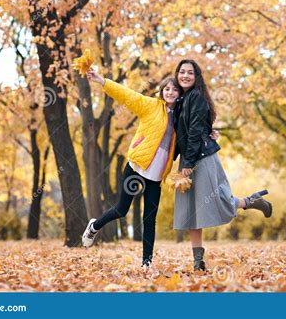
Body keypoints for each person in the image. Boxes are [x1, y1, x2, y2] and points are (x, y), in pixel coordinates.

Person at [82, 68, 218, 267]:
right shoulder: (150, 106)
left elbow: (194, 132)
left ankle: (146, 262)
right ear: (161, 91)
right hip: (137, 167)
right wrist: (102, 81)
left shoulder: (181, 116)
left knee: (149, 219)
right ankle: (94, 226)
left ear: (179, 94)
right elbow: (127, 95)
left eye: (174, 90)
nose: (170, 92)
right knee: (121, 209)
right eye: (167, 89)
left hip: (156, 175)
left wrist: (210, 133)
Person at [173, 59, 273, 271]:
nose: (185, 76)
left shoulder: (196, 97)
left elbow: (193, 133)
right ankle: (197, 261)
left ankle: (251, 201)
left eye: (190, 73)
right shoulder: (182, 99)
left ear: (196, 76)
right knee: (191, 211)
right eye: (182, 72)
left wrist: (188, 163)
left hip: (201, 158)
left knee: (218, 200)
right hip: (188, 158)